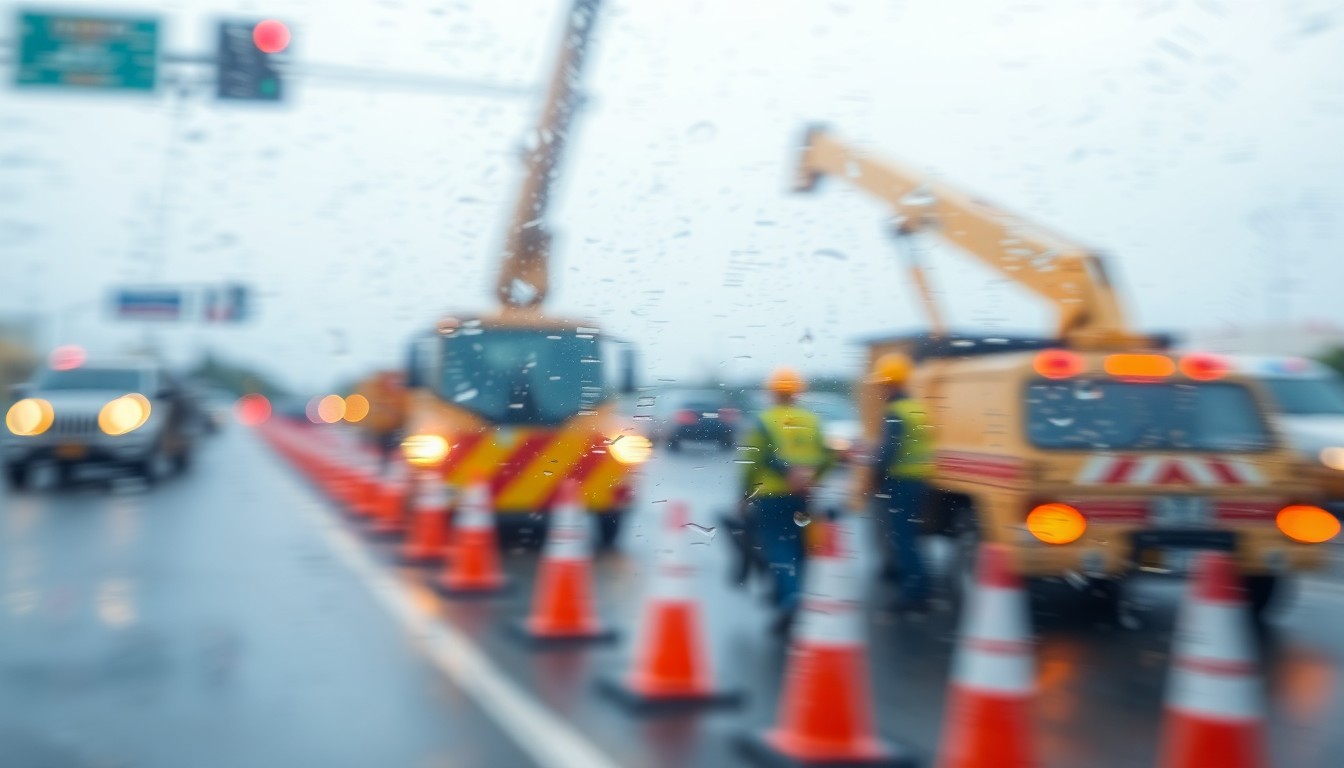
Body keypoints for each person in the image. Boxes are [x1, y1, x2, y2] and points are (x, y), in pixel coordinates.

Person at [739, 367, 835, 634]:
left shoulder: (764, 421)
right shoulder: (812, 421)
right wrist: (813, 479)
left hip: (770, 497)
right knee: (799, 548)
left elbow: (750, 463)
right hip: (802, 497)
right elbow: (829, 456)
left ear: (772, 393)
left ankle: (790, 599)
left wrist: (744, 495)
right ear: (798, 393)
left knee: (777, 548)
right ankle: (795, 596)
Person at [870, 352, 934, 616]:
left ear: (889, 383)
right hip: (920, 479)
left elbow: (888, 451)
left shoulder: (895, 412)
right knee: (911, 537)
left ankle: (914, 593)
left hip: (902, 481)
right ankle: (918, 586)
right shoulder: (917, 408)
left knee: (903, 538)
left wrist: (875, 476)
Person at [359, 371, 408, 470]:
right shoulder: (377, 394)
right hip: (382, 429)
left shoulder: (399, 395)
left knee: (390, 452)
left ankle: (387, 467)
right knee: (385, 452)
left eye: (396, 382)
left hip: (392, 428)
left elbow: (403, 410)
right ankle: (385, 467)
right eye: (391, 381)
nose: (394, 384)